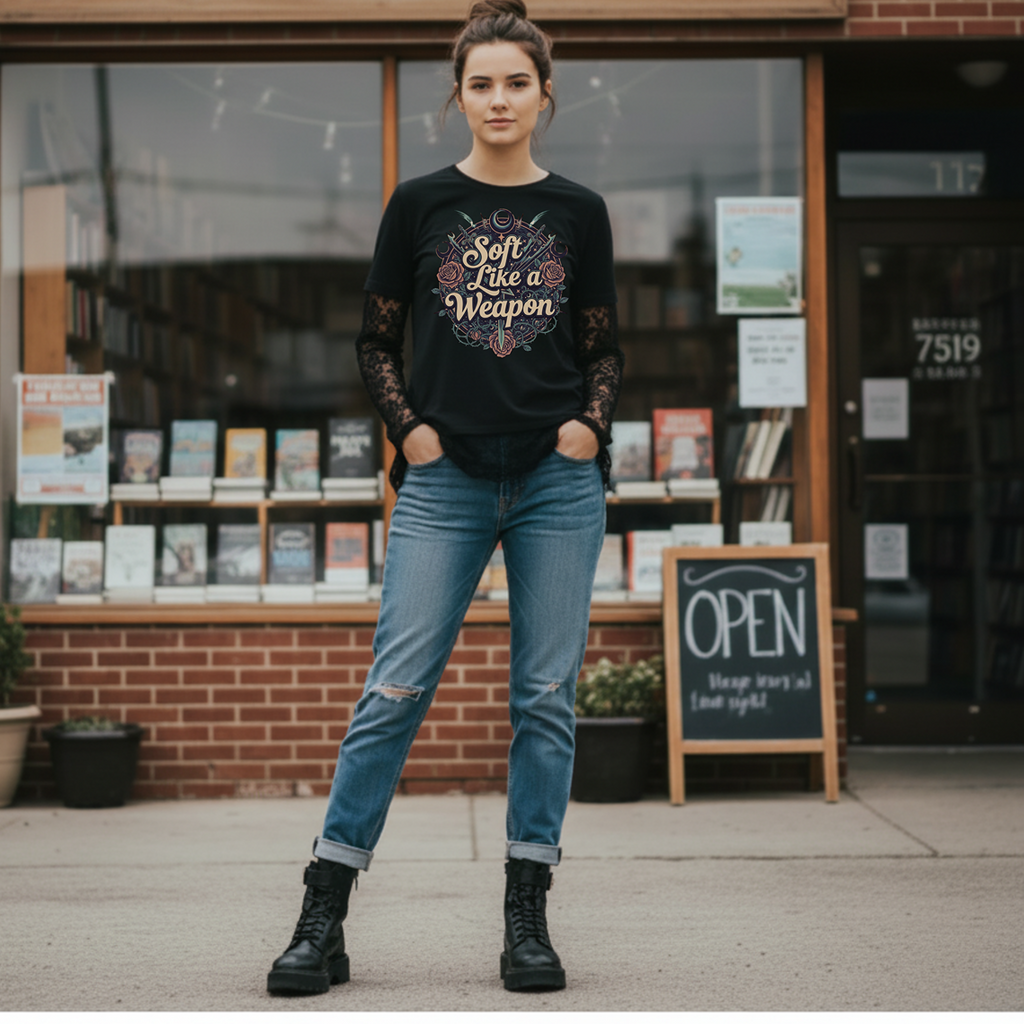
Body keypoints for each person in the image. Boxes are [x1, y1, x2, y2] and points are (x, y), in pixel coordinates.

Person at [267, 0, 622, 996]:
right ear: (457, 97)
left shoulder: (580, 213)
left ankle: (525, 919)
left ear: (543, 95)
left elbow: (604, 349)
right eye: (481, 82)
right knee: (393, 692)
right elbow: (375, 339)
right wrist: (408, 431)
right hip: (445, 481)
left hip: (556, 483)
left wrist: (586, 427)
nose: (498, 98)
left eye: (517, 81)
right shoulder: (418, 205)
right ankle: (322, 913)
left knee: (544, 702)